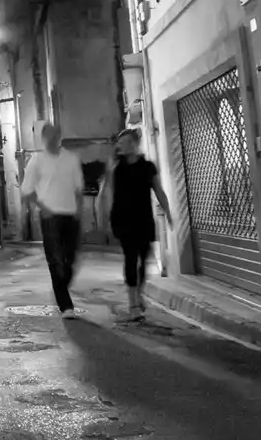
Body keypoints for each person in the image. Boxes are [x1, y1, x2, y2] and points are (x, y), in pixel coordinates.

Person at [97, 128, 173, 321]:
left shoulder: (148, 167)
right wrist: (103, 217)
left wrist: (168, 211)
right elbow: (108, 194)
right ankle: (133, 304)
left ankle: (138, 293)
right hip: (123, 220)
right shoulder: (115, 168)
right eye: (120, 144)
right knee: (131, 258)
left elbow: (159, 190)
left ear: (135, 144)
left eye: (126, 143)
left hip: (144, 219)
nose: (122, 146)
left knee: (144, 259)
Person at [19, 122, 88, 319]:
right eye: (47, 135)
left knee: (71, 260)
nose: (50, 138)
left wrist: (80, 211)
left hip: (71, 215)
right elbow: (27, 191)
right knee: (56, 259)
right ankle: (65, 305)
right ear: (43, 138)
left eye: (54, 134)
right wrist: (43, 209)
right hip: (50, 216)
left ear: (59, 136)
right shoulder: (37, 161)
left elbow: (78, 188)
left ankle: (60, 286)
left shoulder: (70, 159)